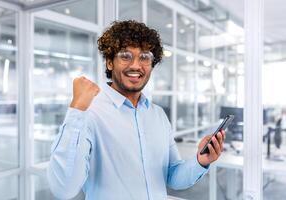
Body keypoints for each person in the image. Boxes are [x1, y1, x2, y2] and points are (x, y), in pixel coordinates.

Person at [47, 20, 225, 200]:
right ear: (109, 62)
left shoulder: (158, 115)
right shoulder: (89, 113)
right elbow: (64, 189)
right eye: (125, 56)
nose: (136, 65)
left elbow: (172, 176)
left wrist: (201, 161)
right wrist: (77, 109)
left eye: (144, 57)